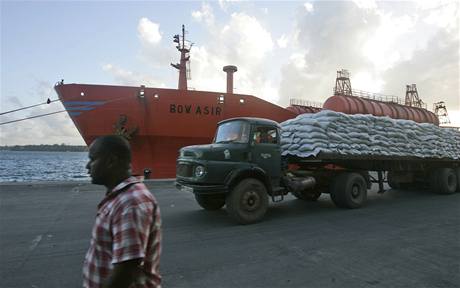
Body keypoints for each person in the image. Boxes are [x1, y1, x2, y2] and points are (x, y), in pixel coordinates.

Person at [83, 135, 161, 288]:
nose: (87, 166)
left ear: (111, 161)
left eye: (92, 159)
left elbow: (127, 270)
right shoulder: (121, 197)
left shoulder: (130, 203)